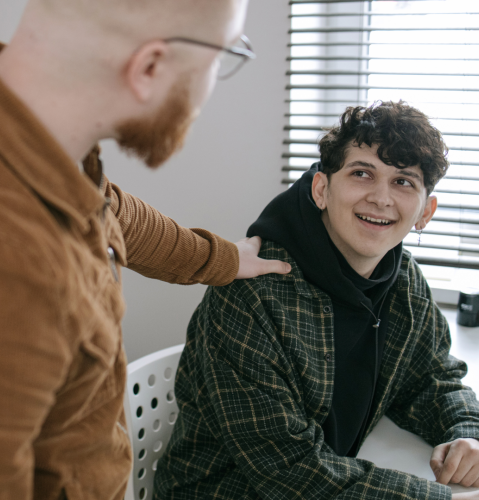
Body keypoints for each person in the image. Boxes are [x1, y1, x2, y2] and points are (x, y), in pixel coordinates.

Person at [0, 0, 291, 498]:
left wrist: (223, 258)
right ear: (149, 67)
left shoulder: (17, 127)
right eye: (220, 58)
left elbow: (111, 212)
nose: (208, 92)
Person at [154, 101, 479, 500]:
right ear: (322, 189)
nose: (381, 198)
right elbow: (288, 469)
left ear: (425, 212)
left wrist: (466, 432)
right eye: (362, 173)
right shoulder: (252, 295)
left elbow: (431, 379)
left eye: (403, 182)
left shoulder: (403, 280)